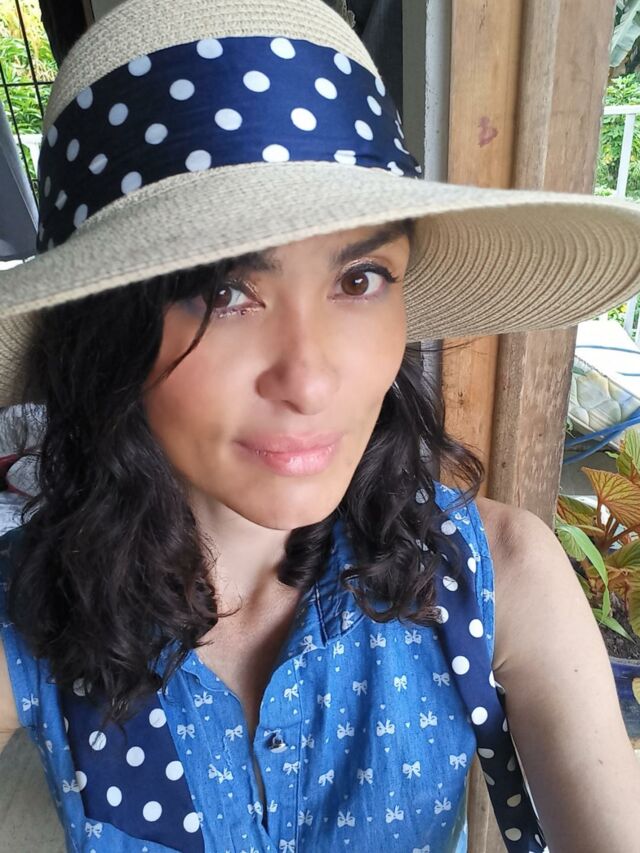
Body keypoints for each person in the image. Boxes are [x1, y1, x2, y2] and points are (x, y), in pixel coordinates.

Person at [1, 1, 640, 851]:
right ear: (102, 334)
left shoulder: (499, 577)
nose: (308, 380)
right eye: (223, 292)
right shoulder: (28, 612)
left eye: (360, 278)